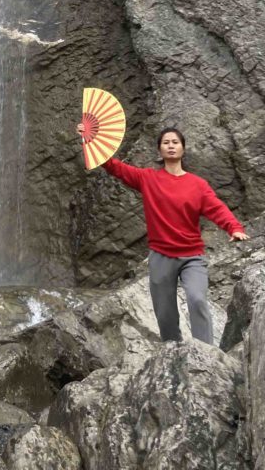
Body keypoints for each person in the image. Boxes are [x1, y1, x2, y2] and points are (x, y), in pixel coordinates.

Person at [90, 128, 247, 344]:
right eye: (166, 142)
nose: (171, 145)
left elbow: (217, 209)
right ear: (159, 149)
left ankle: (206, 353)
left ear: (183, 148)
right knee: (165, 314)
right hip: (161, 256)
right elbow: (114, 167)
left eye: (175, 142)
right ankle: (172, 353)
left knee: (197, 299)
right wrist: (90, 139)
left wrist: (234, 228)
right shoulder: (147, 179)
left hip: (192, 256)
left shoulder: (198, 185)